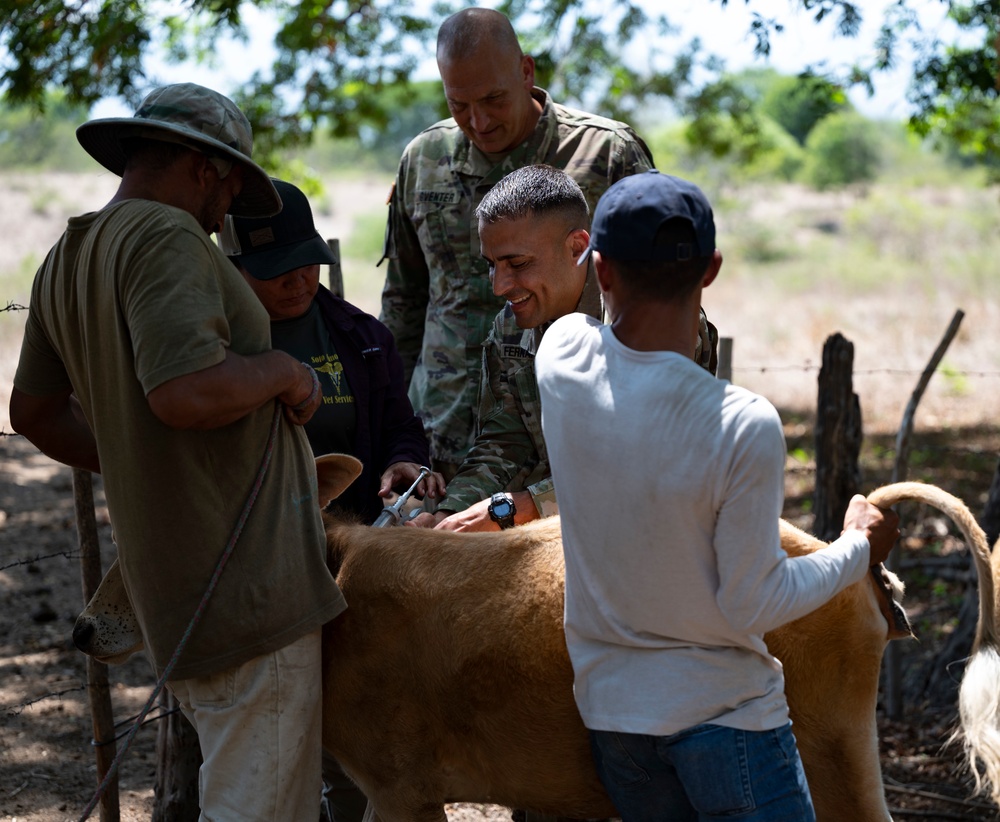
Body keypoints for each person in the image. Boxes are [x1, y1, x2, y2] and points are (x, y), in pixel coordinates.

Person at [9, 83, 342, 820]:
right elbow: (184, 392)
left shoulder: (68, 254)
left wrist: (135, 457)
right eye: (228, 189)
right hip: (246, 588)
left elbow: (32, 412)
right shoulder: (166, 236)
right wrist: (284, 372)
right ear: (202, 167)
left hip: (179, 588)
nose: (224, 214)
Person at [534, 169, 901, 821]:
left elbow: (579, 321)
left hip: (615, 721)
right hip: (727, 722)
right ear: (712, 270)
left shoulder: (561, 358)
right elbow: (753, 600)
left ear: (601, 270)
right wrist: (856, 548)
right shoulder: (739, 422)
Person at [380, 7, 655, 481]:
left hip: (565, 437)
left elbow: (653, 300)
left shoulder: (606, 154)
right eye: (458, 104)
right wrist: (393, 427)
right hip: (444, 432)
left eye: (493, 99)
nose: (479, 121)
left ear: (526, 72)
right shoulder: (423, 160)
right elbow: (404, 300)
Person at [409, 164, 716, 532]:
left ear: (577, 248)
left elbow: (642, 462)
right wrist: (450, 515)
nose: (499, 286)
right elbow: (506, 438)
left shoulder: (657, 322)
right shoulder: (510, 326)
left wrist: (517, 508)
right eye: (491, 265)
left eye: (518, 263)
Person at [220, 178, 445, 527]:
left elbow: (400, 425)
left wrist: (402, 459)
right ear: (233, 268)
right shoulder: (214, 343)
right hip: (247, 533)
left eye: (308, 263)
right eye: (277, 269)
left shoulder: (364, 338)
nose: (297, 281)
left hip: (352, 535)